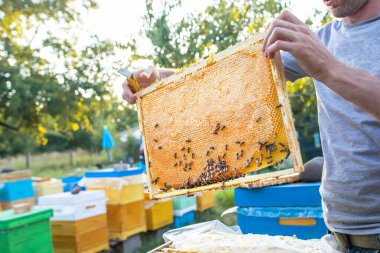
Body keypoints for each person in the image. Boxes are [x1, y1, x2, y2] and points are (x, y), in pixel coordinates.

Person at [122, 0, 380, 252]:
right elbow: (228, 81)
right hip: (340, 234)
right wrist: (160, 82)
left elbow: (326, 67)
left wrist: (327, 67)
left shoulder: (321, 50)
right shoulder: (323, 38)